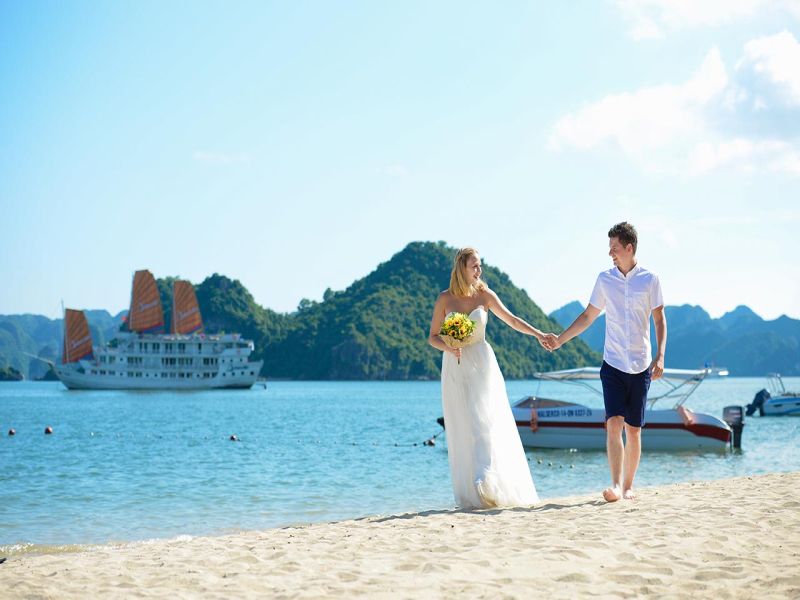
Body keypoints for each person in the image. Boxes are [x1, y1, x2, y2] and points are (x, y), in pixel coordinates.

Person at [543, 222, 666, 502]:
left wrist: (660, 356)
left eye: (614, 248)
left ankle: (629, 486)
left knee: (633, 430)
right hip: (612, 363)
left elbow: (659, 319)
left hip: (640, 364)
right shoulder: (604, 279)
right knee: (613, 423)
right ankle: (615, 485)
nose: (610, 253)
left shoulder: (650, 280)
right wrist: (561, 340)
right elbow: (588, 315)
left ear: (629, 248)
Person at [428, 247, 547, 509]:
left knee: (483, 419)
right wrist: (449, 347)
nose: (479, 270)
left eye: (480, 265)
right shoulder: (445, 299)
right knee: (463, 424)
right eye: (474, 266)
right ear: (462, 268)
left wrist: (539, 334)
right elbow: (433, 337)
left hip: (482, 364)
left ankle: (485, 479)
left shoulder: (485, 295)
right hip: (455, 365)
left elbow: (513, 320)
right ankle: (472, 488)